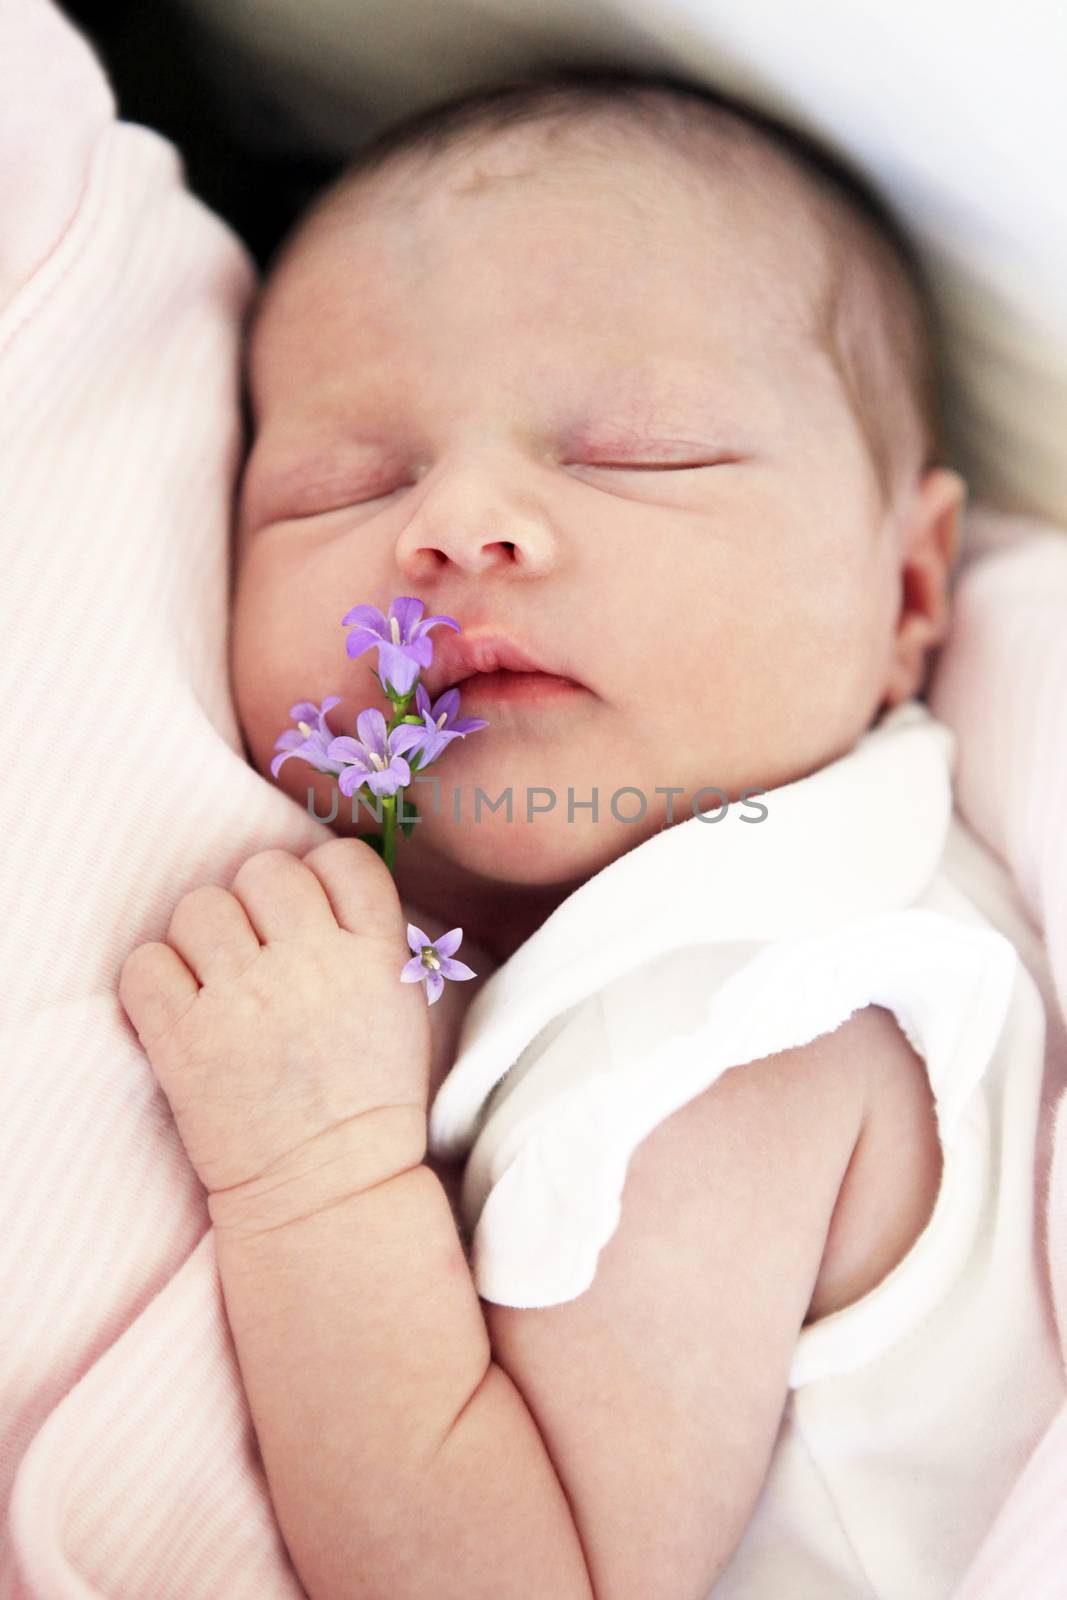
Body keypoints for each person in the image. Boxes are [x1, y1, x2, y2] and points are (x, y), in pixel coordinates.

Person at [118, 69, 1065, 1599]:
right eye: (337, 485)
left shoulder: (759, 1009)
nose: (460, 519)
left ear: (906, 593)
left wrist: (314, 1180)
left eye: (643, 453)